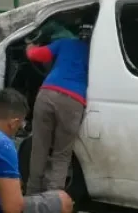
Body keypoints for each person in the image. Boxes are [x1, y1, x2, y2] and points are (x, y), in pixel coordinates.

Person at [24, 21, 90, 195]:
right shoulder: (95, 52)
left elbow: (36, 56)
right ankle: (53, 200)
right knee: (62, 154)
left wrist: (30, 47)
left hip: (47, 94)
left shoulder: (65, 43)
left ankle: (32, 194)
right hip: (74, 101)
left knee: (39, 148)